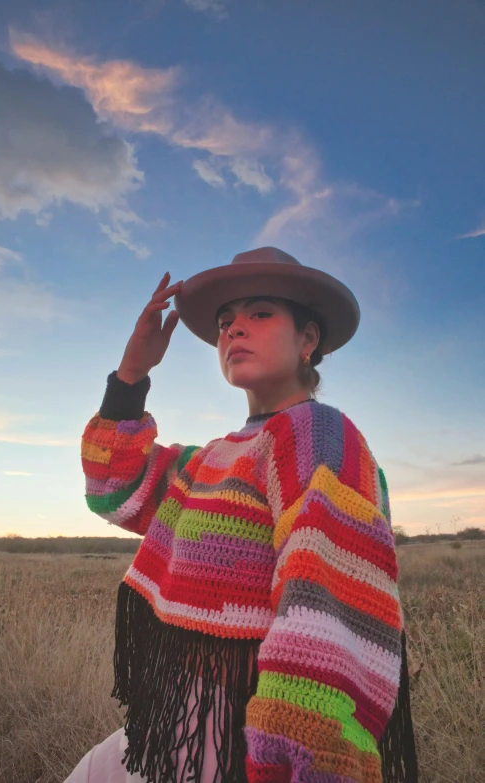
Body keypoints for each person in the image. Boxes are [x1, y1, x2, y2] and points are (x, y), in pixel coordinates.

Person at [67, 247, 418, 783]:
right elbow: (113, 486)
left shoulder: (316, 436)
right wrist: (133, 371)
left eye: (259, 313)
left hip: (243, 733)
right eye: (226, 322)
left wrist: (282, 762)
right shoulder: (215, 457)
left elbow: (323, 618)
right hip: (177, 719)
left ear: (308, 339)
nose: (234, 331)